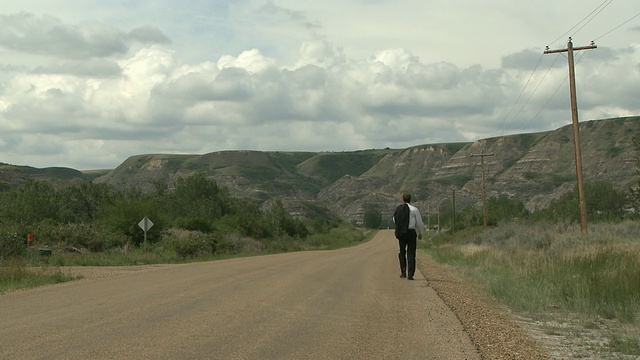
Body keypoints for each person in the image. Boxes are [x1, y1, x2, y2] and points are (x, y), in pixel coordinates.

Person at [392, 193, 425, 280]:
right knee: (411, 253)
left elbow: (394, 219)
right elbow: (419, 222)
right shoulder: (414, 210)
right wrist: (420, 232)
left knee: (402, 252)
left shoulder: (398, 209)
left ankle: (403, 272)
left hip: (401, 233)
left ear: (403, 199)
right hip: (411, 232)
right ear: (410, 199)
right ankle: (410, 274)